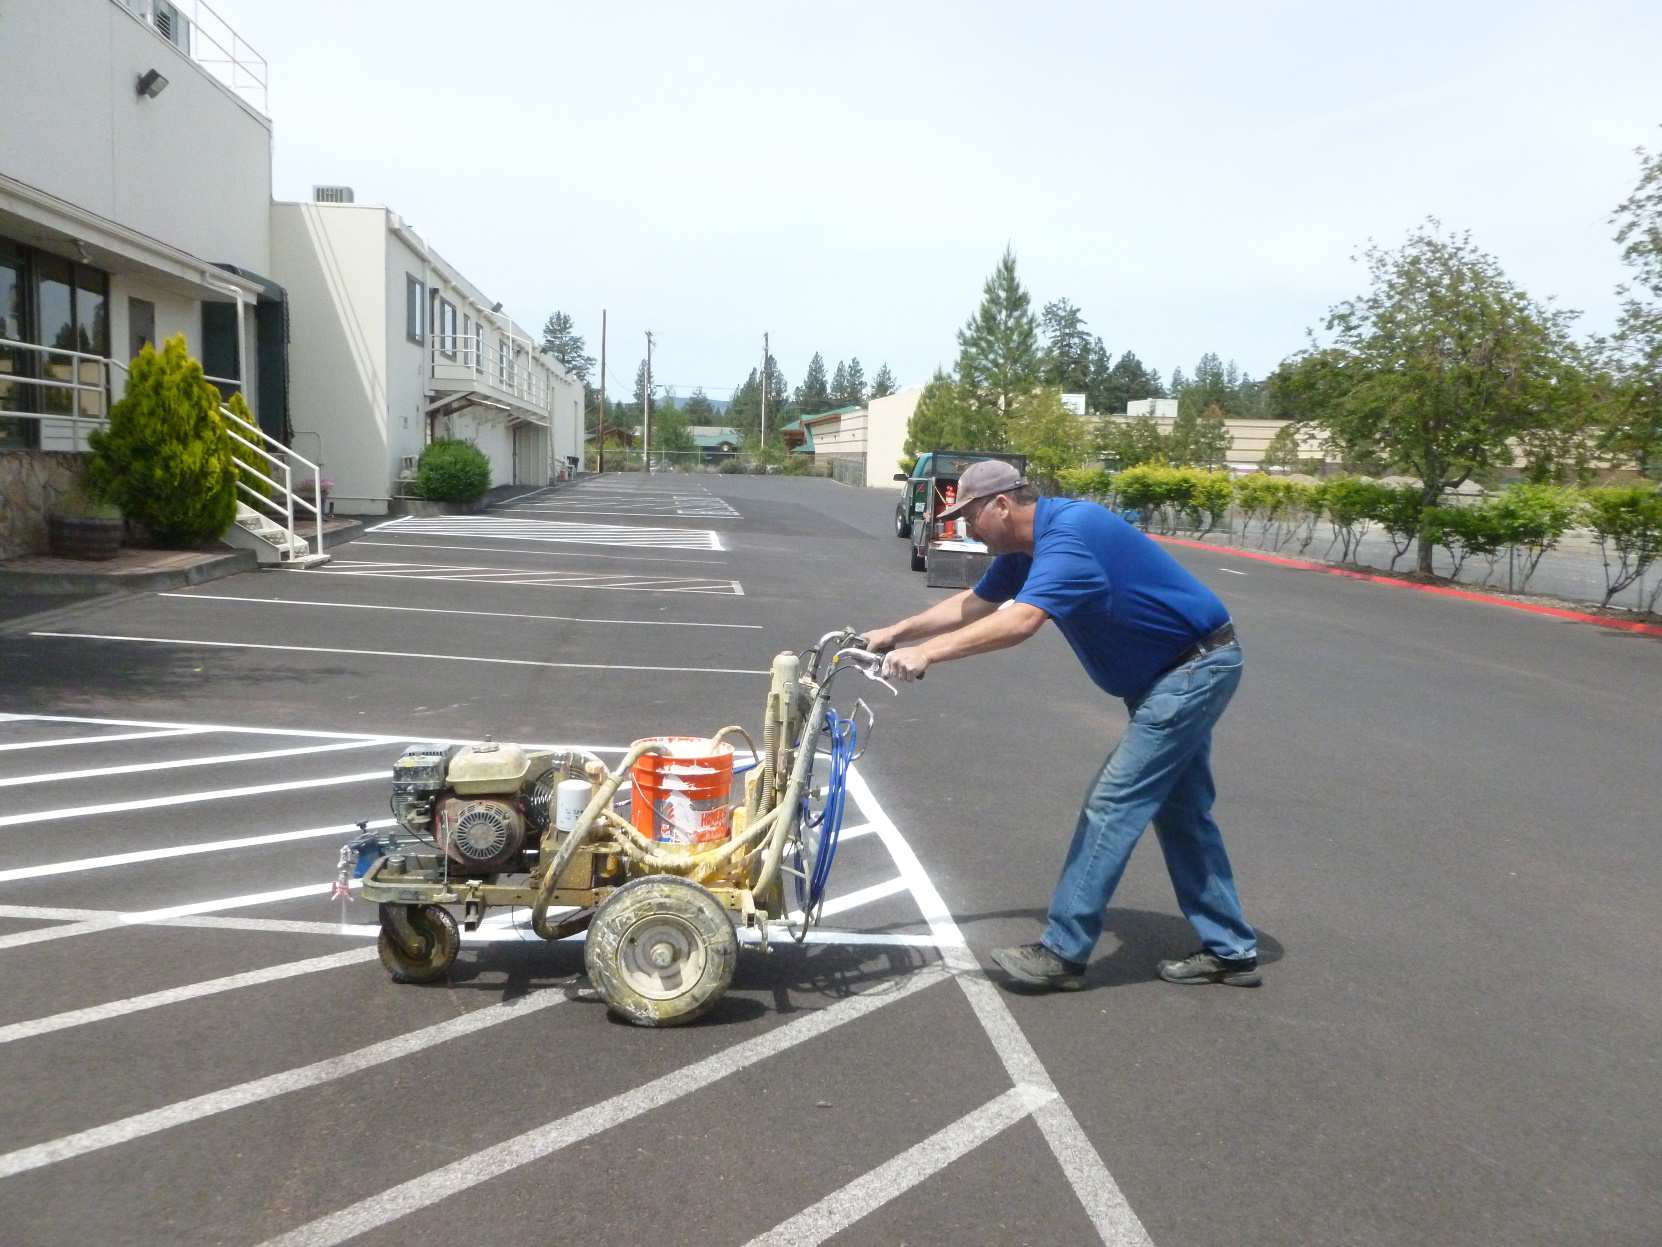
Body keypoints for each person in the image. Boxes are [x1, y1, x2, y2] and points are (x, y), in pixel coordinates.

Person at [863, 458, 1258, 991]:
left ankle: (1063, 951)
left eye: (970, 515)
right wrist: (894, 632)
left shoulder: (1070, 536)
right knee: (1183, 812)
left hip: (1191, 670)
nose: (967, 528)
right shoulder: (1026, 549)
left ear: (1002, 505)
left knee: (1113, 803)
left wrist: (927, 653)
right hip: (1168, 674)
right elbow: (978, 604)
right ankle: (1231, 949)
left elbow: (1020, 621)